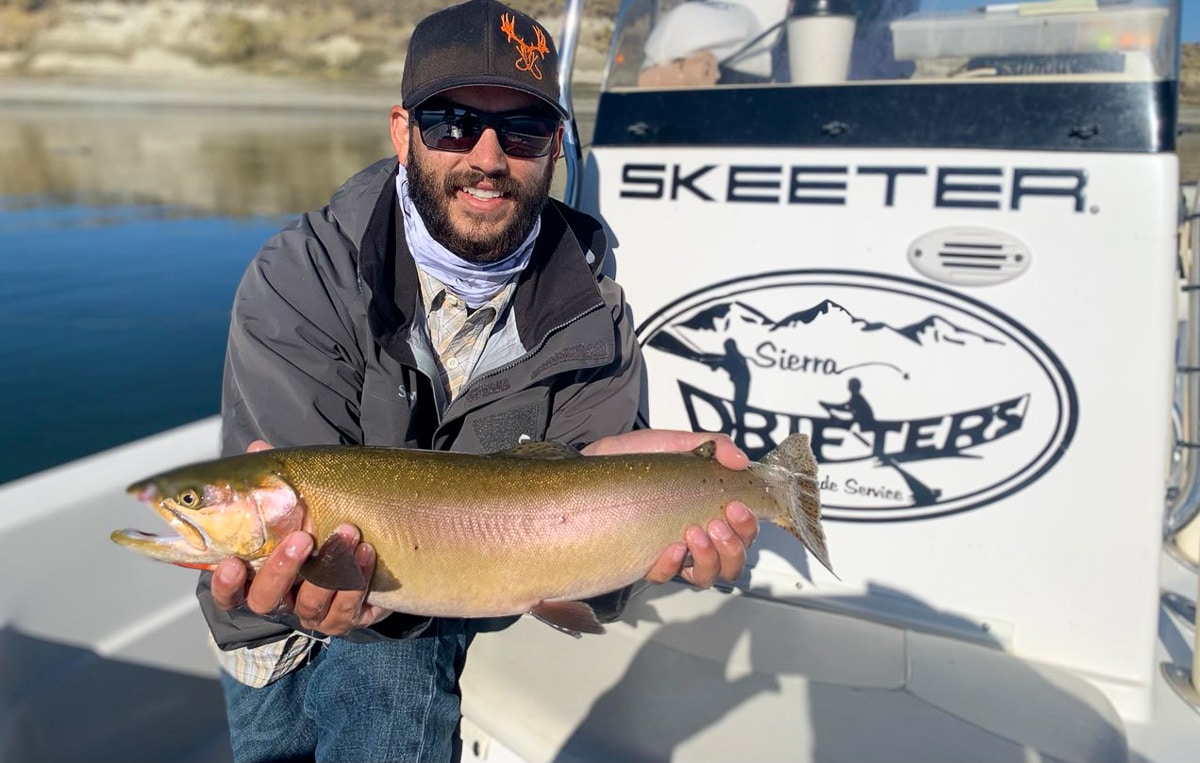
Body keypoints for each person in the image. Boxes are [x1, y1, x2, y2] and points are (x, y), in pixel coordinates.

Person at [196, 1, 760, 761]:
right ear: (403, 132)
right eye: (452, 122)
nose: (488, 156)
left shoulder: (596, 318)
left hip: (425, 611)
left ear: (554, 146)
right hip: (266, 633)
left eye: (522, 129)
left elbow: (578, 535)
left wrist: (655, 533)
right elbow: (291, 523)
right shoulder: (301, 278)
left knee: (388, 665)